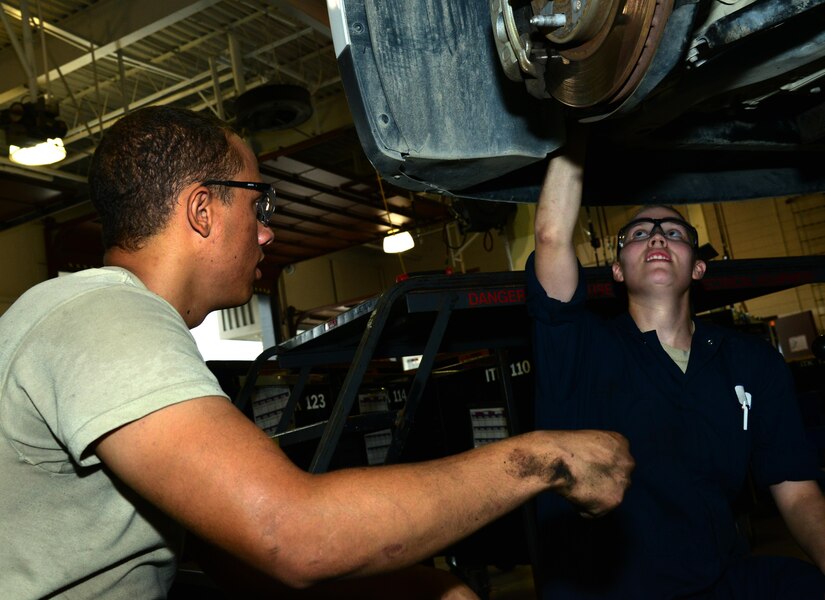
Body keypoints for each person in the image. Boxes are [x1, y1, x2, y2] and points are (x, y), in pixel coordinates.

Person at [0, 105, 634, 600]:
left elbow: (242, 560)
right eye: (258, 203)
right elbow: (291, 534)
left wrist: (414, 586)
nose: (267, 230)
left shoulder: (101, 323)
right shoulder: (107, 319)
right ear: (201, 211)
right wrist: (541, 457)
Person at [527, 131, 825, 599]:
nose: (657, 237)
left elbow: (798, 491)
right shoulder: (581, 350)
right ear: (618, 269)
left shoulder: (750, 362)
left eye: (674, 231)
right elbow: (549, 237)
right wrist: (579, 119)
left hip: (718, 580)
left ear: (698, 267)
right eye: (639, 234)